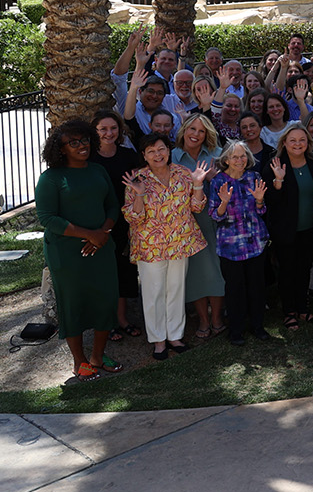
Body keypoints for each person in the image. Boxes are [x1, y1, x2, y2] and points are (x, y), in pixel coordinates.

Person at [35, 120, 123, 381]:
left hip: (102, 246)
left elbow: (112, 206)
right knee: (72, 303)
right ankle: (79, 361)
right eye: (73, 143)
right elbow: (48, 218)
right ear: (60, 149)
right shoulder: (51, 178)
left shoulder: (97, 170)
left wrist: (103, 234)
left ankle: (98, 355)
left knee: (105, 300)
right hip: (67, 252)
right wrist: (90, 235)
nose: (81, 145)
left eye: (84, 140)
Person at [121, 134, 208, 360]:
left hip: (180, 242)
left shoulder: (182, 173)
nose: (157, 155)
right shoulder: (137, 179)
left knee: (176, 290)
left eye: (161, 149)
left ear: (168, 151)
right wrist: (139, 195)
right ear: (144, 156)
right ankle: (159, 340)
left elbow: (197, 207)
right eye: (151, 151)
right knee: (153, 293)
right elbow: (133, 217)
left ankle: (175, 336)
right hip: (151, 246)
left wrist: (198, 185)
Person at [207, 140, 271, 345]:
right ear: (226, 160)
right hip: (230, 247)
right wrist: (224, 202)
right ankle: (236, 330)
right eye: (235, 156)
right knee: (235, 289)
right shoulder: (218, 182)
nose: (240, 160)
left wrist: (260, 200)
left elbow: (261, 211)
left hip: (255, 243)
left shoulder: (255, 178)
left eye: (243, 155)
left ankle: (258, 326)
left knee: (257, 287)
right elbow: (215, 216)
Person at [90, 109, 144, 341]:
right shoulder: (88, 158)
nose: (109, 133)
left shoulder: (128, 156)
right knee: (102, 274)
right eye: (103, 129)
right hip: (97, 224)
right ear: (95, 131)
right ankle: (106, 321)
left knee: (124, 272)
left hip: (126, 222)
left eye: (113, 128)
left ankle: (121, 320)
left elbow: (140, 185)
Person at [265, 123, 313, 330]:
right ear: (284, 143)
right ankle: (289, 311)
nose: (297, 144)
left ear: (307, 142)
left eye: (302, 140)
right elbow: (269, 201)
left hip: (310, 227)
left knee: (304, 268)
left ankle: (303, 307)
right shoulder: (274, 164)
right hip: (285, 230)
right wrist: (278, 182)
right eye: (293, 140)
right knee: (287, 270)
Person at [173, 113, 225, 337]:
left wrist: (214, 179)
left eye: (201, 131)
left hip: (216, 221)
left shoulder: (216, 155)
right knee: (194, 273)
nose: (195, 134)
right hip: (186, 223)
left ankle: (217, 318)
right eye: (192, 129)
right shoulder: (172, 157)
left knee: (217, 271)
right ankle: (203, 320)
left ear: (207, 135)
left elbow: (231, 186)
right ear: (184, 130)